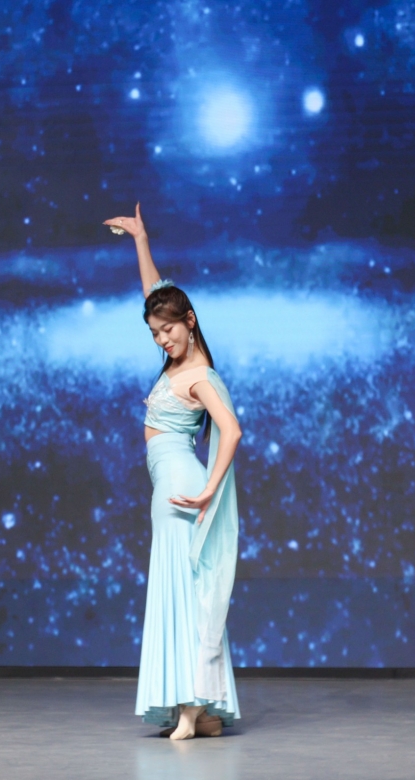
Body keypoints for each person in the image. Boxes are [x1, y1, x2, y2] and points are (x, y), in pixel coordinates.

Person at [103, 204, 242, 740]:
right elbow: (155, 294)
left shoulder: (198, 374)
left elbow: (231, 431)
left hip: (182, 486)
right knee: (181, 593)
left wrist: (209, 491)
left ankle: (191, 707)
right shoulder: (177, 357)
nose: (162, 339)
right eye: (155, 333)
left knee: (185, 596)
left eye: (168, 330)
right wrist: (141, 239)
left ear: (190, 322)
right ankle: (203, 713)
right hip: (168, 483)